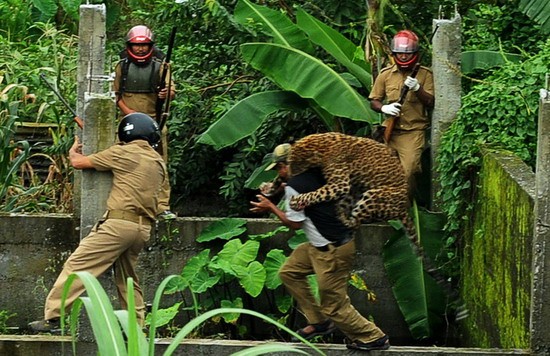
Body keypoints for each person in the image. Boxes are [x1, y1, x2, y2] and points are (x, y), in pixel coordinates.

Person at [29, 113, 167, 333]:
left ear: (125, 133)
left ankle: (54, 317)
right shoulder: (157, 161)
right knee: (128, 279)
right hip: (142, 229)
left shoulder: (122, 153)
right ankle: (137, 326)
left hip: (118, 225)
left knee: (78, 266)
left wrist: (74, 150)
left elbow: (79, 162)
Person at [250, 144, 390, 351]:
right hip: (321, 245)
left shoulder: (295, 187)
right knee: (289, 272)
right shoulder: (320, 173)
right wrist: (276, 190)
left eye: (279, 168)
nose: (279, 174)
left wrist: (269, 206)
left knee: (334, 306)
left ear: (287, 165)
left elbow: (295, 223)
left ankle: (373, 337)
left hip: (331, 251)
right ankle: (319, 322)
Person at [113, 25, 176, 220]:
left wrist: (166, 93)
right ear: (129, 46)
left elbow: (171, 92)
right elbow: (114, 95)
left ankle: (162, 207)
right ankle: (125, 206)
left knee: (159, 164)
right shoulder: (121, 66)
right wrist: (129, 113)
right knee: (123, 163)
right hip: (127, 124)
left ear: (150, 46)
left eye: (144, 46)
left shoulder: (162, 66)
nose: (140, 49)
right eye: (136, 45)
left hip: (154, 124)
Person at [368, 29, 434, 192]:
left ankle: (405, 207)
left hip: (412, 131)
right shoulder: (385, 74)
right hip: (390, 130)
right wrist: (384, 107)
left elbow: (431, 101)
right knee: (380, 172)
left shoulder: (425, 74)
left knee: (408, 171)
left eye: (407, 53)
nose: (403, 56)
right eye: (400, 53)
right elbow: (373, 100)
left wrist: (418, 88)